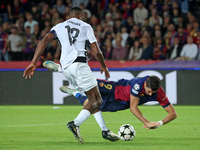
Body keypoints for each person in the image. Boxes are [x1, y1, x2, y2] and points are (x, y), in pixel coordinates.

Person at [23, 7, 119, 143]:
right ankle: (75, 123)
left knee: (91, 101)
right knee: (97, 100)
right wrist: (103, 65)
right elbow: (95, 50)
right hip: (79, 65)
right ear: (80, 15)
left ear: (69, 16)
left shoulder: (59, 26)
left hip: (68, 68)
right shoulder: (86, 26)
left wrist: (33, 62)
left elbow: (43, 41)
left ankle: (105, 130)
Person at [43, 61, 177, 131]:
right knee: (90, 83)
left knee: (91, 105)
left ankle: (74, 92)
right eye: (148, 91)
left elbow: (173, 113)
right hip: (115, 88)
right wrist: (147, 122)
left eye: (152, 93)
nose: (149, 94)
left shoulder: (158, 92)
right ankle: (61, 68)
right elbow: (133, 107)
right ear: (146, 83)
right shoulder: (139, 83)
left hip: (119, 103)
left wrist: (158, 124)